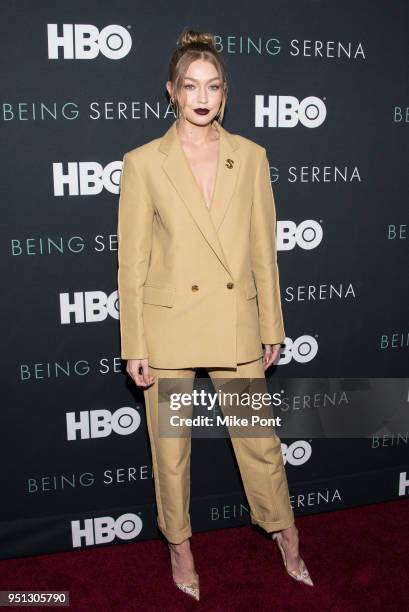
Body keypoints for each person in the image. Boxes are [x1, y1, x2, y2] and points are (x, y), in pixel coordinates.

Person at [117, 27, 314, 602]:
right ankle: (179, 544)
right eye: (190, 86)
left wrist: (271, 324)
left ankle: (286, 533)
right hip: (169, 327)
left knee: (259, 441)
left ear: (225, 93)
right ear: (172, 92)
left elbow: (263, 250)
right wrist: (135, 342)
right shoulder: (143, 163)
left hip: (234, 324)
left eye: (214, 86)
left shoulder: (251, 157)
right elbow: (132, 263)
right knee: (171, 453)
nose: (202, 97)